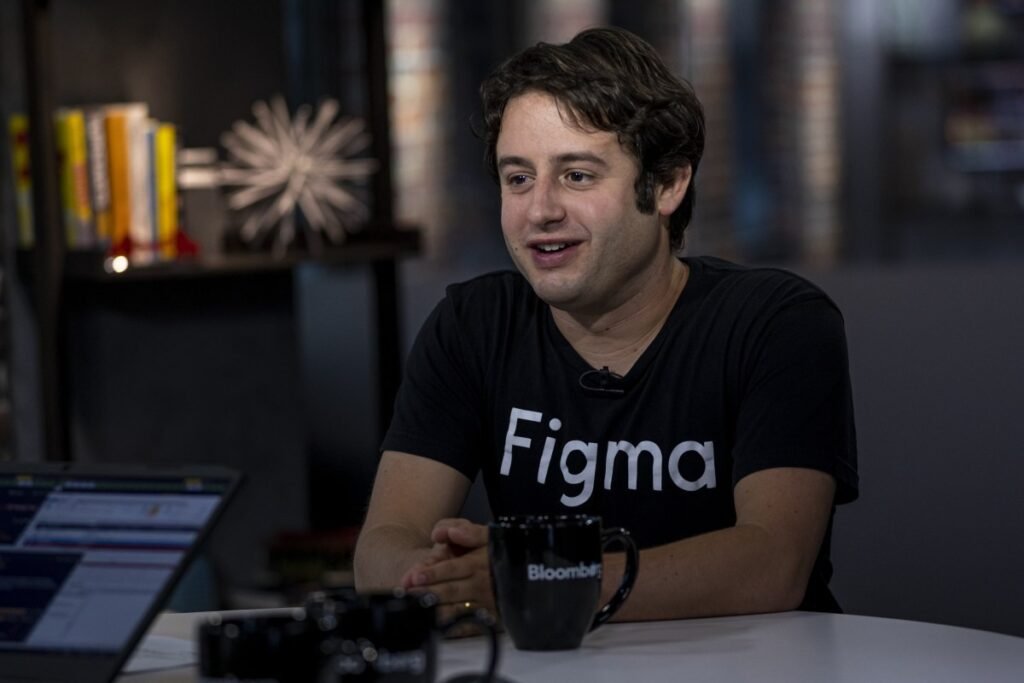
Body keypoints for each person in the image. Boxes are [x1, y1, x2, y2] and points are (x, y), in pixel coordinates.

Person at [353, 26, 858, 622]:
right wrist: (436, 581)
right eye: (518, 178)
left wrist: (541, 577)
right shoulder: (472, 326)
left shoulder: (775, 323)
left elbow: (772, 565)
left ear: (667, 184)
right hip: (552, 661)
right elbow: (382, 547)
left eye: (577, 175)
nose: (540, 210)